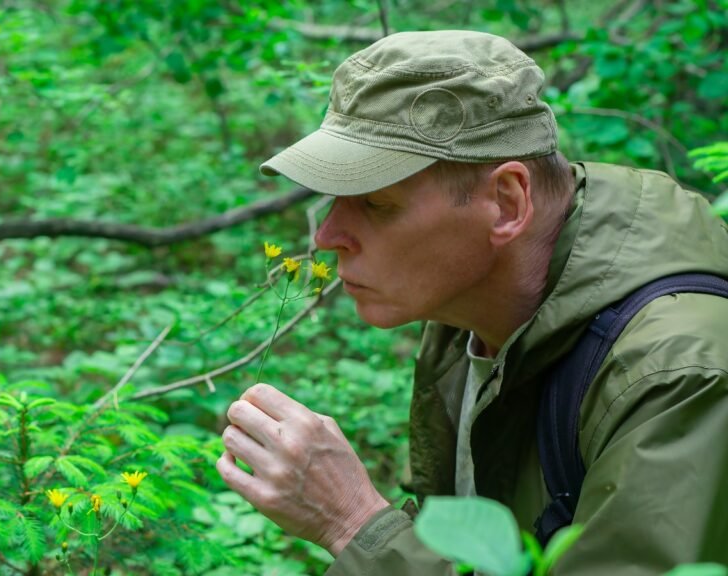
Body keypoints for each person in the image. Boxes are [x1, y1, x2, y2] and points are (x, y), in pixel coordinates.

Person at [216, 30, 728, 574]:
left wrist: (353, 523)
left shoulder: (679, 376)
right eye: (335, 201)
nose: (328, 235)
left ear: (507, 203)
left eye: (376, 204)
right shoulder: (471, 308)